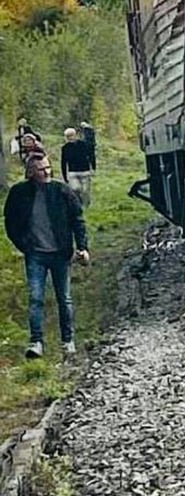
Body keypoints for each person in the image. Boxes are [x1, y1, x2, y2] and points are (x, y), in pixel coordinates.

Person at [3, 152, 90, 358]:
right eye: (42, 169)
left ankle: (67, 341)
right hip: (35, 254)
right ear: (31, 172)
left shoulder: (61, 191)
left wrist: (82, 247)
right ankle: (36, 342)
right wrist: (24, 245)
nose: (47, 172)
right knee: (35, 298)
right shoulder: (19, 193)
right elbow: (11, 222)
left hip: (61, 253)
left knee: (64, 298)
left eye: (48, 167)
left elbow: (78, 219)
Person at [61, 128, 95, 209]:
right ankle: (78, 204)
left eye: (71, 135)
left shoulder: (83, 144)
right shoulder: (65, 148)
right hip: (72, 172)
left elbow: (91, 155)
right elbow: (63, 162)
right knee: (75, 189)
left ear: (75, 135)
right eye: (68, 136)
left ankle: (86, 206)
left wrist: (93, 167)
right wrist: (65, 176)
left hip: (85, 171)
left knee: (85, 190)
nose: (70, 138)